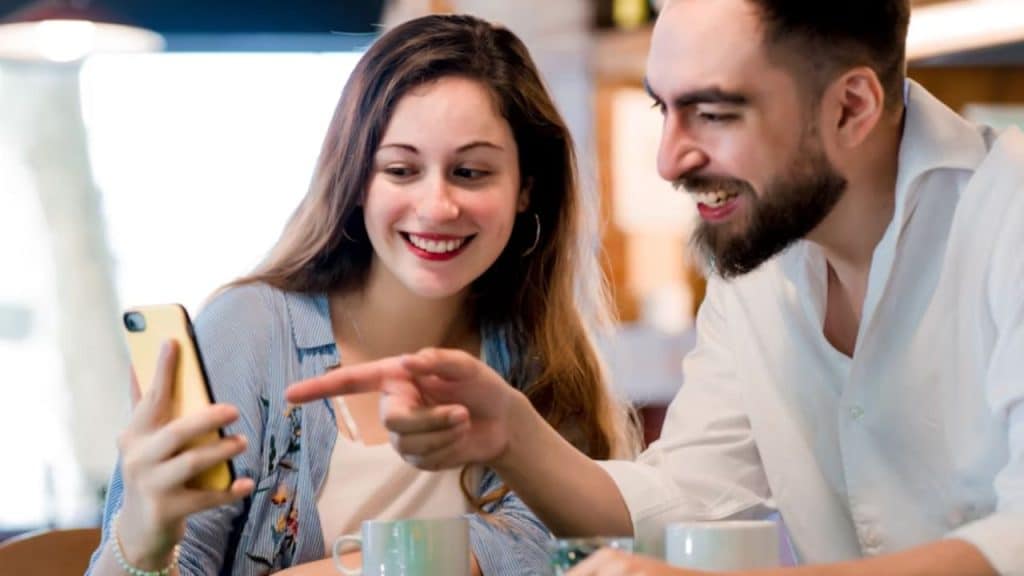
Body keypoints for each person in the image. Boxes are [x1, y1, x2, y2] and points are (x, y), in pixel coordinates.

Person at [287, 0, 1024, 575]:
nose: (670, 160)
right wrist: (511, 434)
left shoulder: (1007, 217)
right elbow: (684, 499)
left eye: (713, 113)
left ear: (851, 108)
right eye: (660, 109)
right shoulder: (759, 266)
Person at [87, 13, 636, 576]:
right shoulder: (251, 330)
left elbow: (562, 554)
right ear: (356, 182)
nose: (436, 206)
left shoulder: (545, 363)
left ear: (526, 190)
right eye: (401, 169)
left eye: (471, 172)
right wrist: (142, 542)